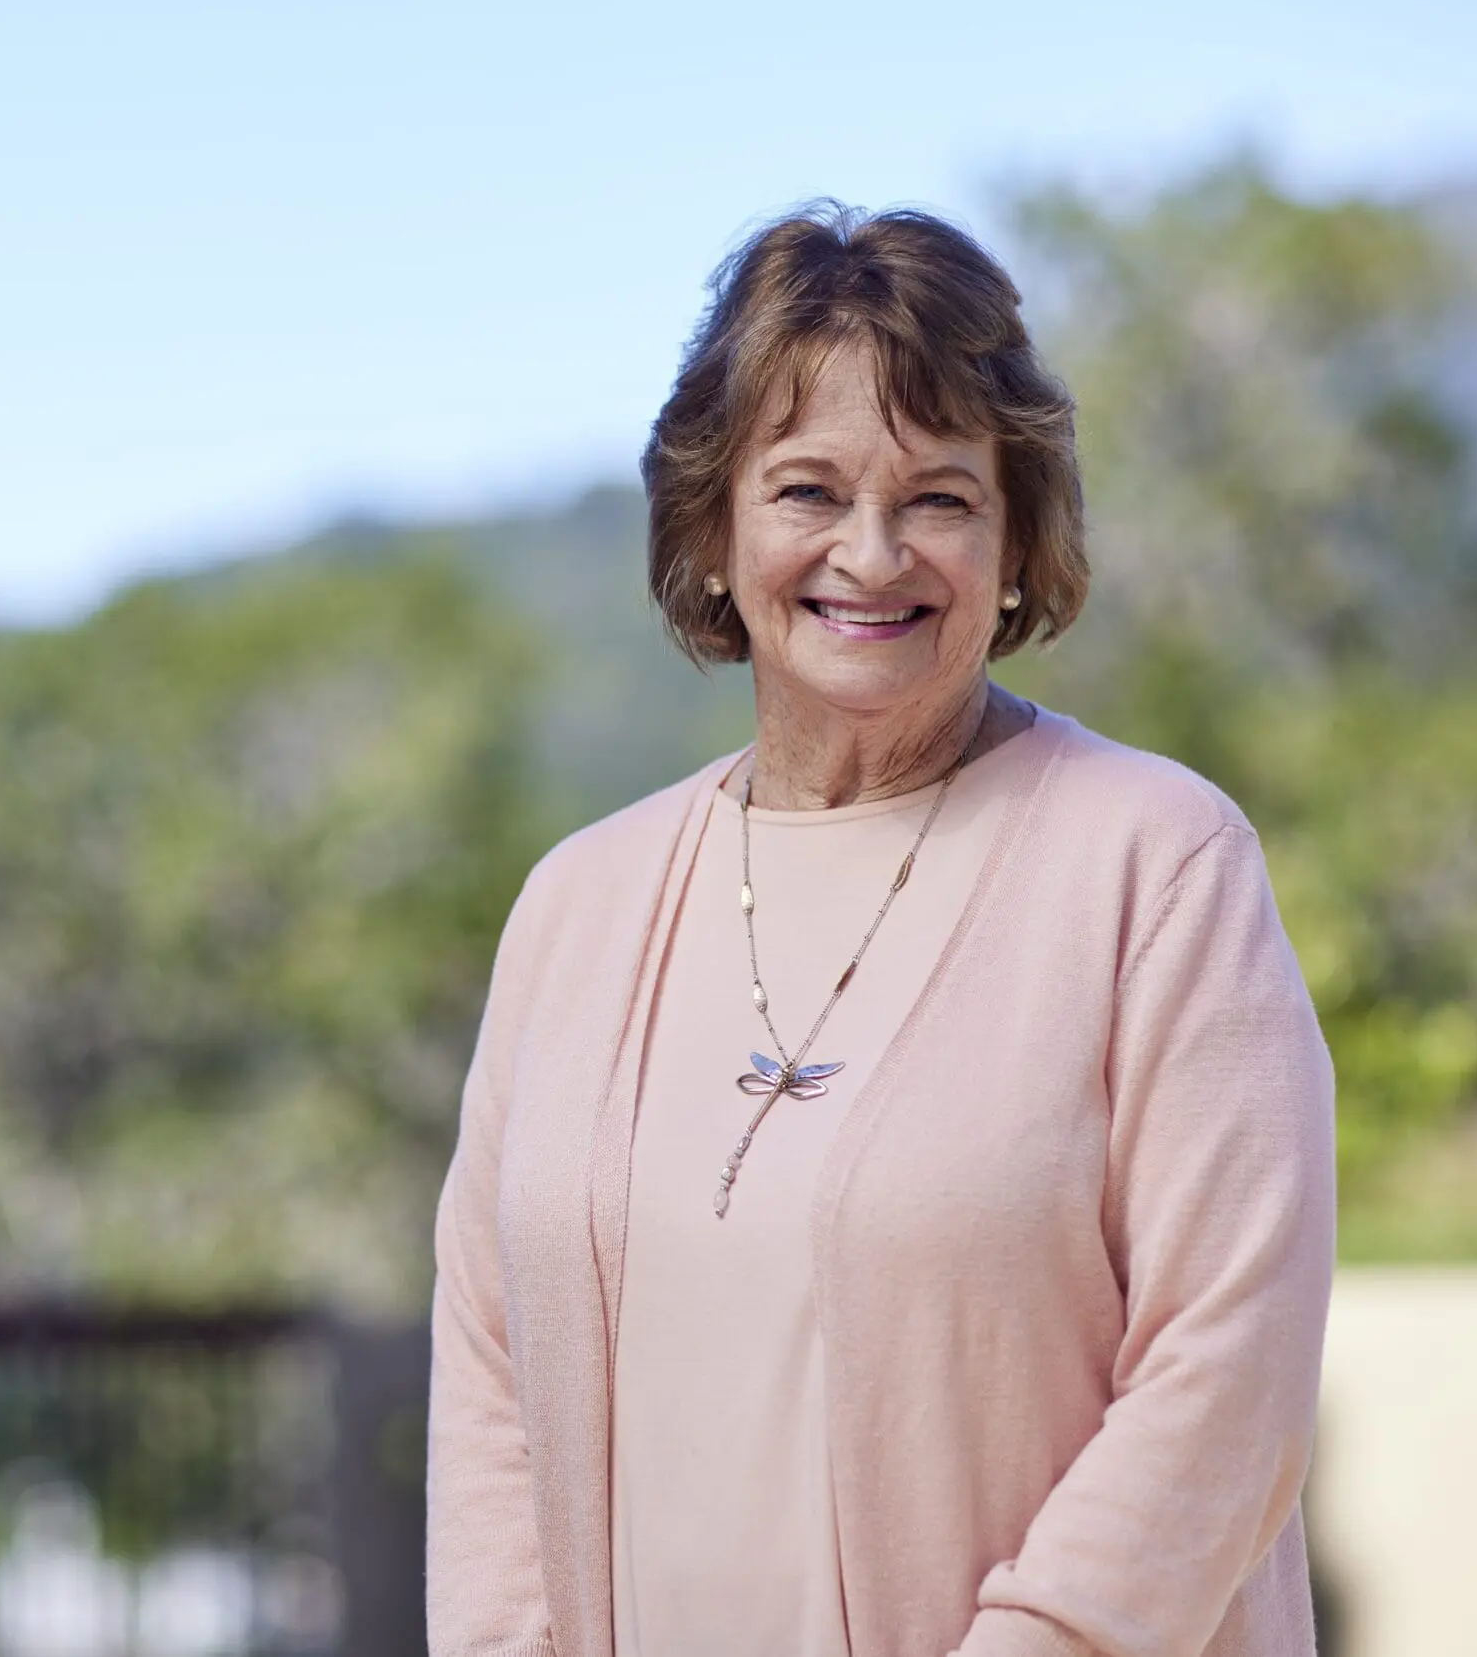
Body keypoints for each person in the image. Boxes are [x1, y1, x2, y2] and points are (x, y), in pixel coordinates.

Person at [425, 204, 1336, 1657]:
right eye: (807, 490)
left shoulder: (1159, 863)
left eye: (940, 496)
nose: (872, 551)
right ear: (714, 533)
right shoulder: (576, 906)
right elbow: (486, 1378)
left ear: (1019, 543)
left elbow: (1228, 1367)